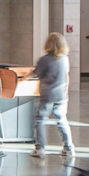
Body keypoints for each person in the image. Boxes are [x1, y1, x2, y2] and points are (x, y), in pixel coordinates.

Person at [31, 32, 73, 162]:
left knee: (40, 120)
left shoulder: (45, 59)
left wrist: (21, 80)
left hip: (48, 95)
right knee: (62, 121)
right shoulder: (65, 59)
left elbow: (35, 73)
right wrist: (66, 91)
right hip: (62, 95)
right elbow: (67, 76)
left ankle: (40, 148)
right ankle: (69, 147)